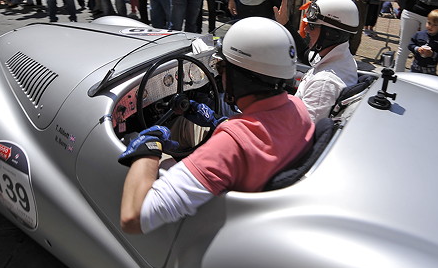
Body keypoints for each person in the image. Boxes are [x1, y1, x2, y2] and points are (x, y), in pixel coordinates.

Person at [119, 17, 314, 234]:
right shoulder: (298, 108)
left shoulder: (231, 145)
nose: (220, 75)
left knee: (132, 139)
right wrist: (218, 121)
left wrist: (149, 147)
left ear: (238, 77)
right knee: (186, 129)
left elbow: (132, 218)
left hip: (216, 227)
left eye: (222, 67)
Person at [283, 0, 359, 122]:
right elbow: (305, 54)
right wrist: (285, 24)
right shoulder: (341, 59)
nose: (306, 30)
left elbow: (302, 131)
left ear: (330, 34)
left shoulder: (324, 84)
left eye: (312, 26)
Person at [408, 9, 438, 75]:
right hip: (415, 66)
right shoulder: (419, 34)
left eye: (435, 25)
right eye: (429, 23)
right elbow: (410, 44)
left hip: (430, 69)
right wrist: (417, 49)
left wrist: (432, 54)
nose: (431, 26)